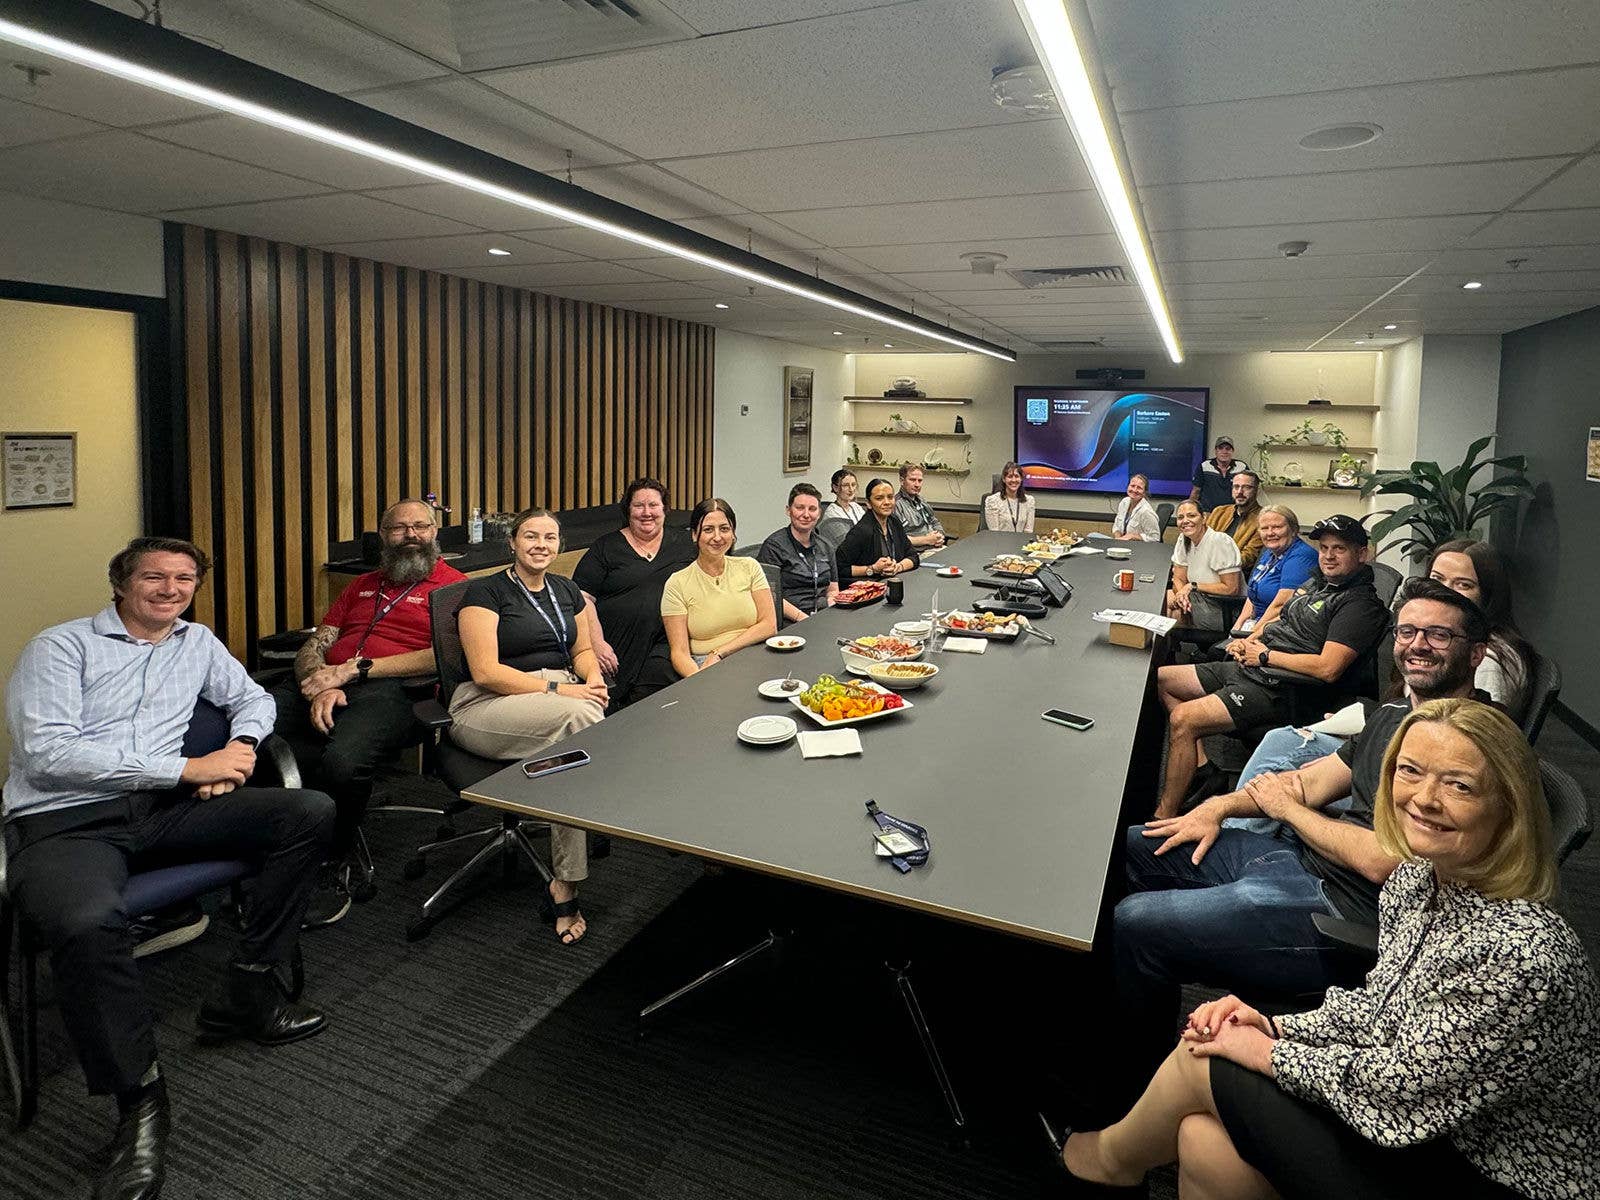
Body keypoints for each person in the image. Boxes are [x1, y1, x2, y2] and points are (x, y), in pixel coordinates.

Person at [1054, 698, 1598, 1200]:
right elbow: (1380, 1010)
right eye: (1408, 772)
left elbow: (1396, 1096)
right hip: (1427, 1117)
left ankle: (1106, 1163)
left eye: (1459, 785)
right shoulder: (1420, 881)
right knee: (1203, 1142)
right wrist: (1276, 1026)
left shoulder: (1520, 954)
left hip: (1489, 1170)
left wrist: (1264, 1051)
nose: (1424, 799)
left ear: (1509, 806)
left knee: (1205, 1062)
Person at [4, 537, 333, 1200]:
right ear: (121, 583)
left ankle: (248, 988)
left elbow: (253, 700)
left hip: (159, 812)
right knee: (90, 921)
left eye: (185, 578)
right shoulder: (61, 647)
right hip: (69, 820)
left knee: (311, 811)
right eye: (154, 576)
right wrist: (188, 769)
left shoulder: (196, 641)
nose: (170, 589)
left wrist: (239, 752)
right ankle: (140, 1105)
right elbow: (47, 753)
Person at [1114, 583, 1493, 1088]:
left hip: (1346, 913)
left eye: (1438, 635)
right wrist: (1219, 807)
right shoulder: (1393, 715)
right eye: (1408, 631)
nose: (1417, 644)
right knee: (1137, 844)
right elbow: (1304, 782)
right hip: (1297, 861)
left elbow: (1388, 861)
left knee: (1137, 922)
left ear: (1476, 653)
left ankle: (1130, 1080)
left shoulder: (1476, 741)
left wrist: (1290, 812)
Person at [272, 498, 466, 926]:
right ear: (383, 537)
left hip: (395, 689)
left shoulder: (454, 587)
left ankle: (333, 861)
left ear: (435, 532)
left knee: (342, 762)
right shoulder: (361, 585)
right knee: (251, 735)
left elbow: (443, 657)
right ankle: (264, 843)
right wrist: (318, 680)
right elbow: (318, 640)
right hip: (324, 683)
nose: (411, 535)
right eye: (399, 529)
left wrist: (351, 673)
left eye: (420, 526)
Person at [1153, 514, 1388, 817]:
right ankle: (1203, 768)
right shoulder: (1319, 580)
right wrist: (1249, 639)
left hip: (1283, 686)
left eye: (1339, 549)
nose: (1328, 556)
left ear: (1362, 554)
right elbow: (1281, 615)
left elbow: (1328, 668)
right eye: (1324, 548)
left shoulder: (1359, 605)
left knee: (1185, 719)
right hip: (1255, 666)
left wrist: (1264, 656)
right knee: (1161, 679)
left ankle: (1162, 816)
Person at [450, 508, 607, 944]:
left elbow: (581, 651)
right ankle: (567, 882)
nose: (541, 545)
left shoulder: (565, 588)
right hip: (486, 704)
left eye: (550, 537)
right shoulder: (485, 592)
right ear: (513, 543)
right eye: (531, 536)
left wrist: (592, 679)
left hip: (554, 695)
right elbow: (485, 673)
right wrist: (565, 694)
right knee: (583, 724)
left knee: (574, 746)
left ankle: (551, 786)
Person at [572, 477, 696, 710]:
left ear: (664, 509)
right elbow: (582, 597)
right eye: (639, 505)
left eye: (653, 505)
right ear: (628, 509)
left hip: (667, 642)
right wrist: (596, 643)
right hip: (615, 646)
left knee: (653, 695)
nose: (646, 512)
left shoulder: (684, 542)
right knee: (611, 704)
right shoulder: (606, 546)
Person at [662, 498, 777, 678]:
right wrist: (699, 681)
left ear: (733, 533)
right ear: (694, 534)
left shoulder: (750, 566)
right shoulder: (677, 583)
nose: (717, 537)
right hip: (706, 666)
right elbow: (679, 653)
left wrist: (719, 652)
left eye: (724, 529)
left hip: (757, 654)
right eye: (708, 529)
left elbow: (769, 625)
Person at [1423, 539, 1532, 719]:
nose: (1444, 591)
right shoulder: (1450, 634)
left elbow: (1479, 735)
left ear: (1487, 594)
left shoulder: (1487, 660)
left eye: (1463, 585)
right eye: (1437, 579)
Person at [757, 482, 839, 621]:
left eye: (812, 509)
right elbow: (771, 597)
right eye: (800, 508)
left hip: (822, 615)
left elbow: (832, 589)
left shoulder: (825, 546)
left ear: (819, 513)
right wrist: (804, 619)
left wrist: (831, 606)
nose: (806, 514)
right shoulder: (774, 546)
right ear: (788, 510)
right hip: (790, 621)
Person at [1237, 504, 1317, 632]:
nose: (1270, 533)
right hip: (1257, 624)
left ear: (1293, 529)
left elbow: (1281, 605)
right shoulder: (1269, 553)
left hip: (1281, 627)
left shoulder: (1302, 556)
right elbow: (1252, 596)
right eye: (1264, 528)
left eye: (1277, 527)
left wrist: (1248, 637)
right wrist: (1236, 630)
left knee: (1218, 652)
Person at [1165, 499, 1243, 628]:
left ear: (1204, 518)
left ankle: (1167, 646)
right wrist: (1181, 596)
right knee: (1163, 599)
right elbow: (1178, 578)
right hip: (1196, 598)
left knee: (1170, 613)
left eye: (1191, 515)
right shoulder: (1184, 539)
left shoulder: (1220, 541)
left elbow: (1231, 588)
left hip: (1221, 607)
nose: (1185, 521)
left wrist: (1192, 586)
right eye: (1180, 517)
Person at [834, 477, 919, 580]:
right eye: (879, 498)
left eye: (890, 497)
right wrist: (872, 569)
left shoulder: (894, 522)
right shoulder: (862, 531)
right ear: (869, 504)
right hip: (868, 588)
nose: (887, 502)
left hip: (893, 581)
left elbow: (913, 556)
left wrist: (898, 567)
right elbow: (838, 567)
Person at [1205, 468, 1264, 572]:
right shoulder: (1219, 511)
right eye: (1236, 487)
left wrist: (1217, 564)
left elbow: (1248, 557)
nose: (1240, 492)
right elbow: (1202, 542)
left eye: (1247, 487)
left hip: (1233, 574)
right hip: (1206, 568)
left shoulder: (1263, 518)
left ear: (1257, 491)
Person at [893, 463, 946, 549]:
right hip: (916, 552)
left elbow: (934, 521)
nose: (917, 485)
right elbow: (897, 538)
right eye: (913, 480)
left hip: (934, 546)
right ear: (902, 481)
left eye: (920, 480)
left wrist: (940, 536)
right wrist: (927, 540)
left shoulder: (922, 501)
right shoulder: (895, 505)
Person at [1190, 434, 1247, 513]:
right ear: (1216, 451)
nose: (1224, 451)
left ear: (1232, 451)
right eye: (1220, 448)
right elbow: (1196, 491)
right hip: (1208, 513)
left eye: (1228, 449)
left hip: (1233, 514)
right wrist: (1190, 510)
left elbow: (1248, 491)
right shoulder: (1204, 466)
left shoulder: (1242, 467)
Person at [982, 461, 1035, 532]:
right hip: (1000, 541)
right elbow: (994, 533)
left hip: (1022, 542)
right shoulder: (993, 501)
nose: (1013, 480)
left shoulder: (1029, 501)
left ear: (1021, 479)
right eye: (1010, 476)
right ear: (1004, 479)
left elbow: (1028, 531)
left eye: (1017, 476)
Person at [1110, 473, 1162, 542]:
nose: (1134, 490)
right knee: (1093, 535)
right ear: (1128, 487)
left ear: (1144, 492)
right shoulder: (1124, 502)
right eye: (1132, 486)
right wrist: (1118, 539)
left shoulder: (1146, 511)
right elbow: (1116, 526)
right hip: (1120, 544)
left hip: (1135, 548)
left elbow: (1155, 538)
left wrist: (1134, 536)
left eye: (1139, 488)